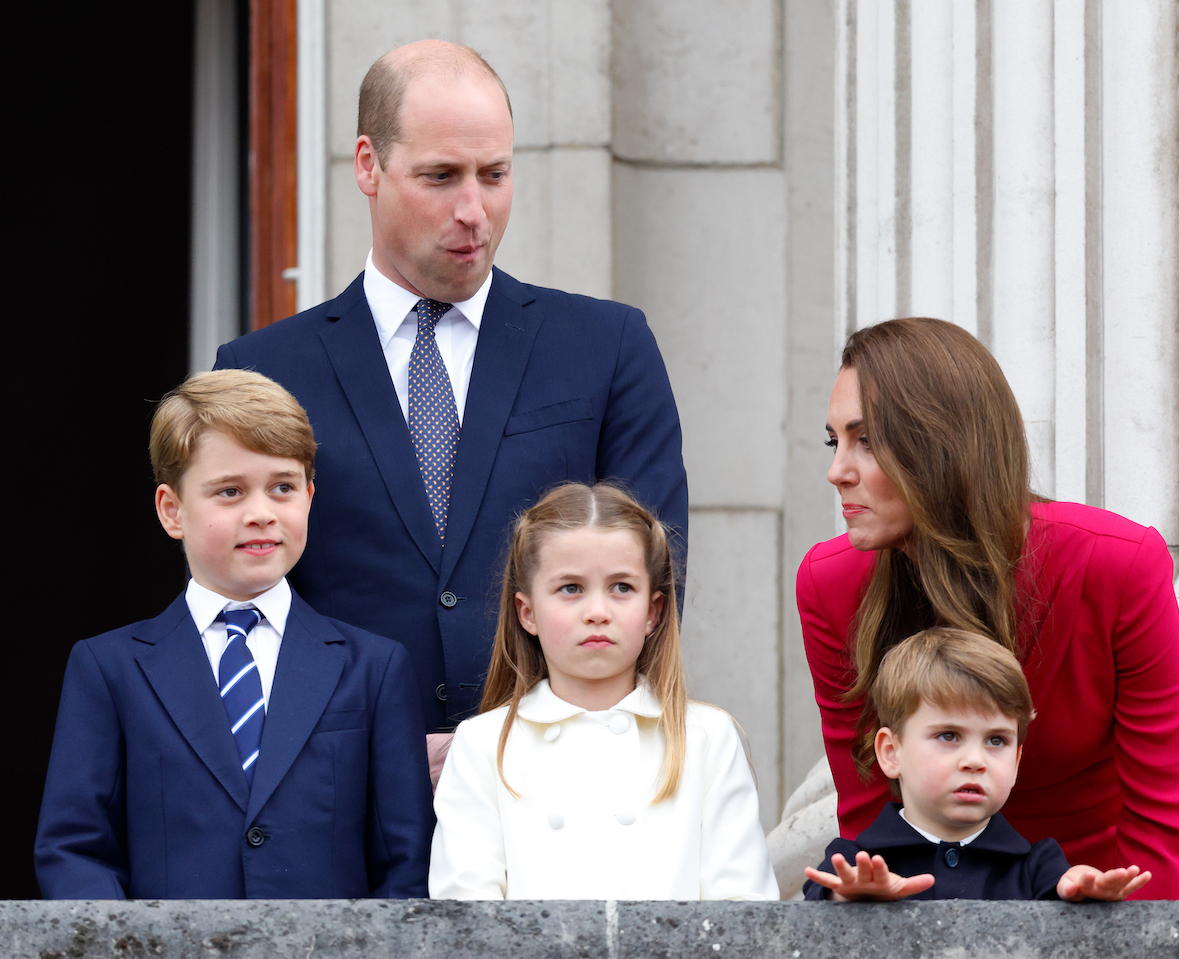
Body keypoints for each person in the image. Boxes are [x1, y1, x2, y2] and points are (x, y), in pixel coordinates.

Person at [213, 40, 687, 775]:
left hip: (561, 788)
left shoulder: (607, 346)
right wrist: (384, 751)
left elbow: (652, 578)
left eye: (495, 175)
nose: (475, 211)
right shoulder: (265, 371)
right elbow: (243, 610)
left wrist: (517, 745)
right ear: (368, 166)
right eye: (441, 176)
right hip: (341, 801)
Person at [800, 317, 1179, 900]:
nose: (837, 470)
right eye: (834, 440)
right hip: (931, 902)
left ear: (942, 441)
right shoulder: (830, 584)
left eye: (866, 440)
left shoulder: (1116, 564)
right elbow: (871, 815)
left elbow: (1165, 824)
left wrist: (1154, 939)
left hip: (1097, 900)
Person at [34, 371, 431, 899]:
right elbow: (74, 850)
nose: (261, 513)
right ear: (172, 510)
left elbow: (406, 861)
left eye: (283, 487)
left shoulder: (374, 667)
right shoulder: (108, 669)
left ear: (310, 496)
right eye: (230, 491)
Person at [428, 483, 778, 900]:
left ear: (653, 612)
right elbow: (467, 917)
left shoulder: (707, 738)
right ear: (528, 612)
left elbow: (741, 913)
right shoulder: (484, 745)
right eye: (571, 588)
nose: (597, 612)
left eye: (622, 588)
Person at [803, 628, 1152, 901]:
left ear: (1016, 761)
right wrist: (848, 896)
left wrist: (1080, 896)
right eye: (949, 735)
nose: (975, 761)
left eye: (996, 740)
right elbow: (816, 905)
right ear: (891, 752)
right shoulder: (855, 860)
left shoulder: (1039, 868)